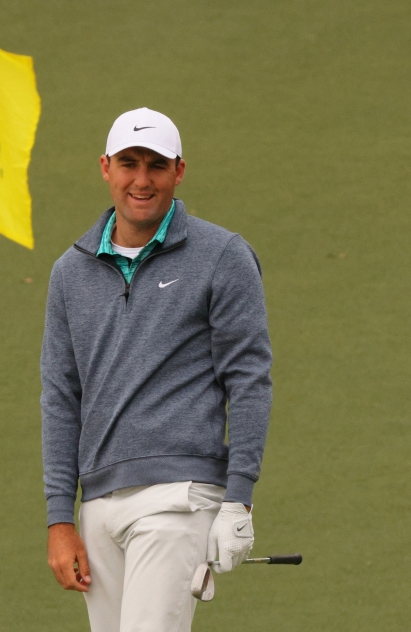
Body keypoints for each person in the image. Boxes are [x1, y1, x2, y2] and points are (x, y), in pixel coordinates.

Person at [40, 107, 273, 632]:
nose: (141, 180)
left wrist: (239, 499)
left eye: (156, 165)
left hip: (178, 497)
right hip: (98, 506)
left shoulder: (222, 256)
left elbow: (249, 380)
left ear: (179, 171)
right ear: (105, 167)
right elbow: (60, 397)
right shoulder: (69, 273)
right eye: (128, 163)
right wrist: (60, 519)